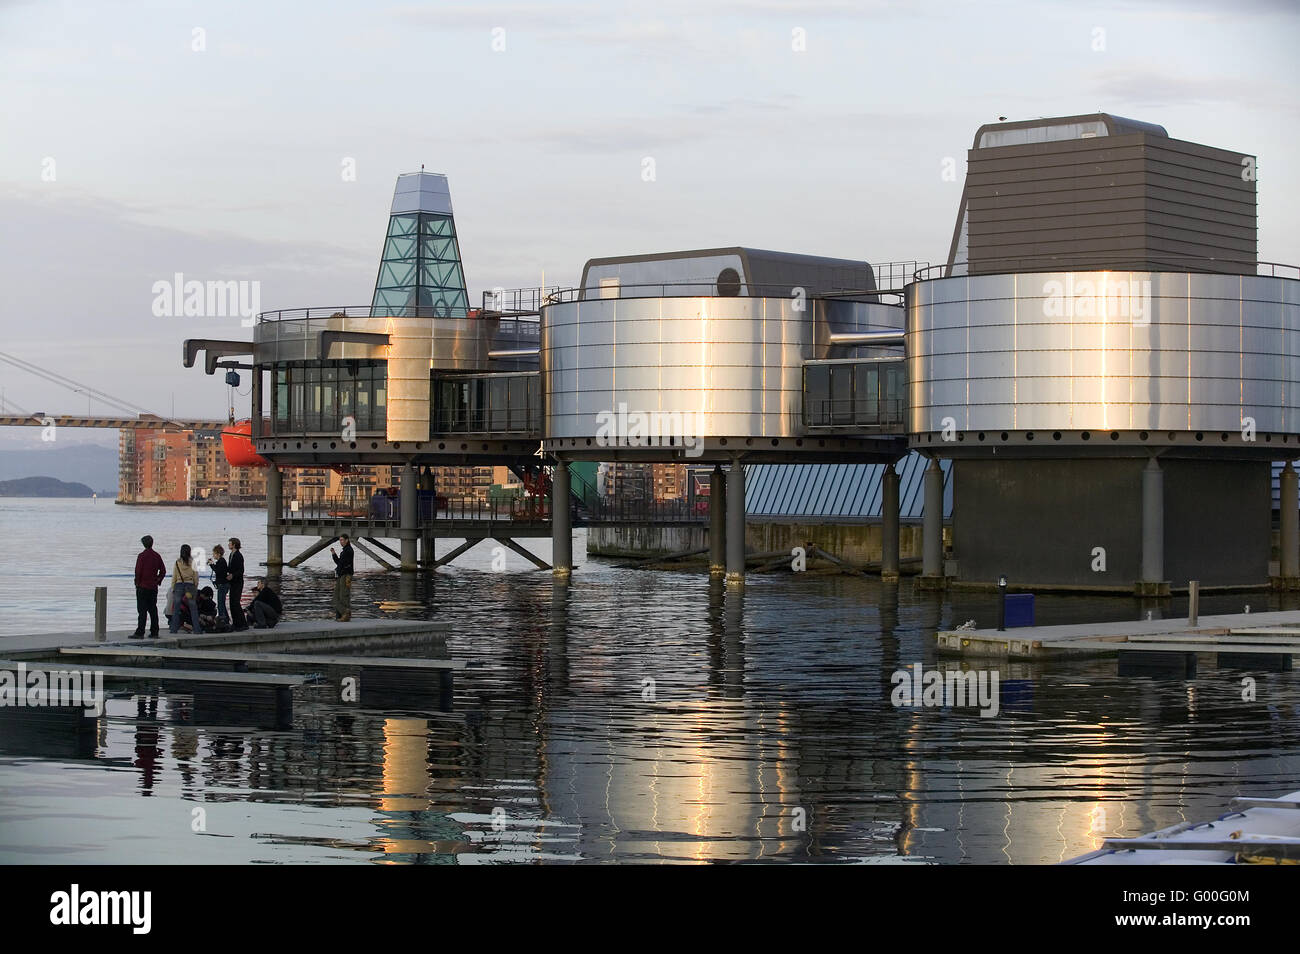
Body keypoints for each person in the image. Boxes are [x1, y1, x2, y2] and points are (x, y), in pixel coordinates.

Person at [132, 535, 167, 639]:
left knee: (142, 610)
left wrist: (137, 583)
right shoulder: (157, 556)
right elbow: (163, 570)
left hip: (142, 586)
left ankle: (140, 632)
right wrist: (158, 580)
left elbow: (138, 571)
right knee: (153, 609)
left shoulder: (141, 556)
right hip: (153, 587)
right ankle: (155, 631)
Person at [168, 544, 203, 635]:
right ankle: (197, 629)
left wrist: (173, 587)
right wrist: (195, 586)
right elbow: (196, 576)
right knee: (193, 608)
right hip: (190, 585)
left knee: (176, 608)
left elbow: (174, 576)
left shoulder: (177, 562)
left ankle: (173, 629)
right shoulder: (193, 562)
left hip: (179, 585)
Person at [330, 533, 354, 622]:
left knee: (343, 597)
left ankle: (344, 614)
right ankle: (345, 613)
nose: (341, 542)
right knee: (336, 598)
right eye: (340, 540)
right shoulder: (344, 551)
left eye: (342, 540)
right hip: (341, 575)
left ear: (347, 540)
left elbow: (345, 564)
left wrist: (343, 570)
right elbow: (339, 563)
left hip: (345, 576)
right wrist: (333, 554)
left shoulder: (349, 550)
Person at [208, 544, 230, 628]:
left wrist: (211, 564)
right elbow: (218, 569)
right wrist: (212, 564)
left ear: (218, 554)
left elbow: (218, 571)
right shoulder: (221, 561)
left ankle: (222, 621)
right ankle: (226, 620)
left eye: (214, 554)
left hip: (222, 585)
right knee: (222, 604)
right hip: (222, 585)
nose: (213, 555)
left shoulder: (221, 561)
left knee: (220, 604)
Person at [227, 537, 247, 631]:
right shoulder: (231, 554)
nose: (228, 545)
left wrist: (233, 575)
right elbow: (230, 568)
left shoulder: (238, 555)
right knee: (232, 603)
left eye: (230, 543)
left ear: (234, 545)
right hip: (233, 582)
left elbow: (241, 570)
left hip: (238, 582)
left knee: (236, 603)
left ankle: (242, 623)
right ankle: (236, 623)